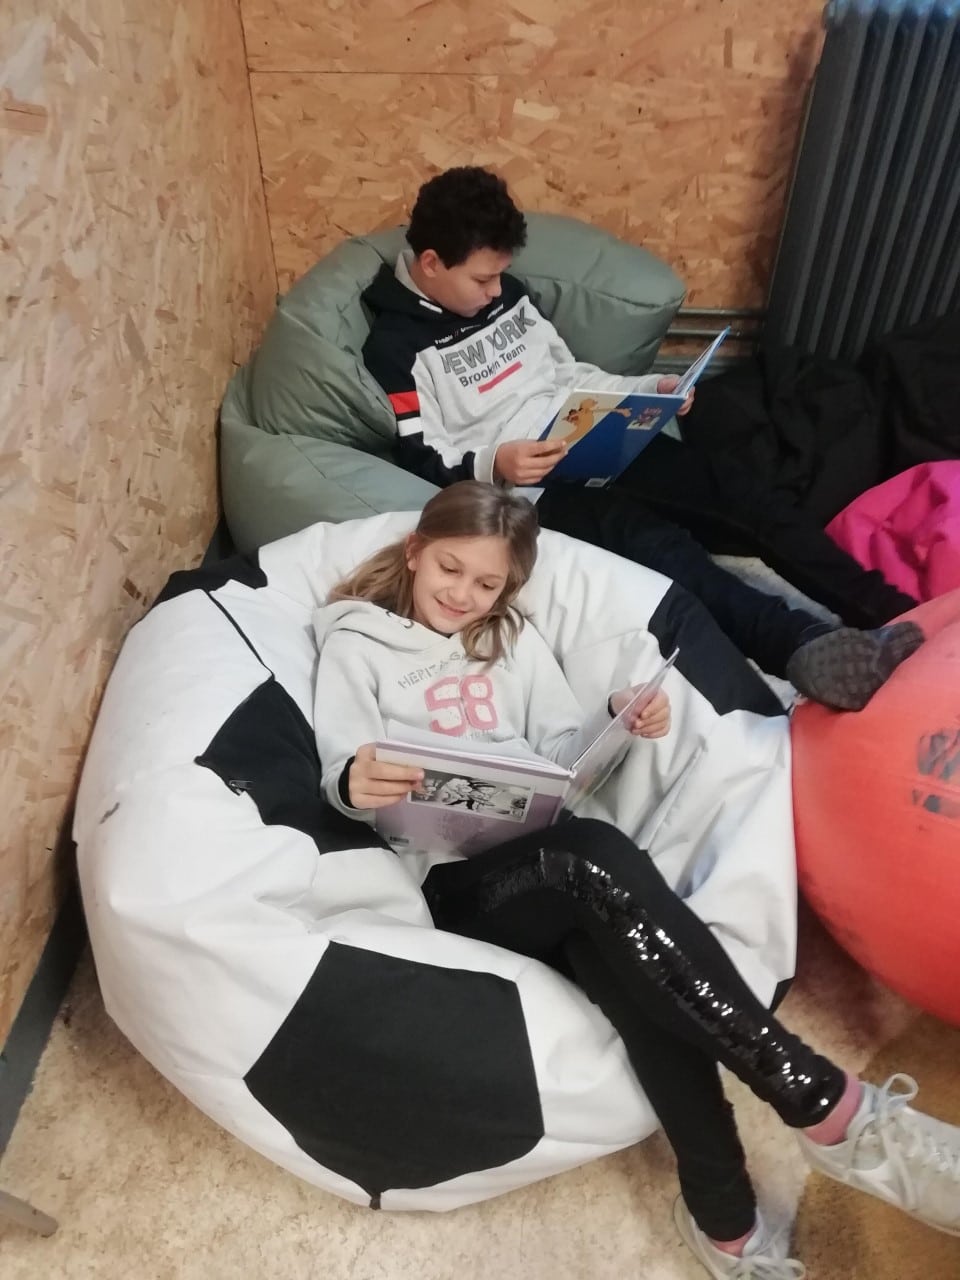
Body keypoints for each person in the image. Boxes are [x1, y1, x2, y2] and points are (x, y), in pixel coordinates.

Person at [312, 482, 959, 1280]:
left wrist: (615, 721)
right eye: (450, 570)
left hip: (548, 860)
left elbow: (559, 759)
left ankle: (724, 1220)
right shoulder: (355, 643)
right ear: (415, 551)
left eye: (487, 584)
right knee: (593, 856)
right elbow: (339, 768)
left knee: (636, 971)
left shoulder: (510, 638)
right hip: (458, 885)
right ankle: (824, 1103)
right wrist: (355, 781)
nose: (463, 596)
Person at [360, 165, 925, 711]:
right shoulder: (396, 346)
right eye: (482, 279)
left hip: (596, 436)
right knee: (665, 551)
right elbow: (417, 457)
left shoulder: (509, 295)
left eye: (499, 276)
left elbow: (569, 375)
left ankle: (895, 610)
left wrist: (648, 390)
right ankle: (805, 644)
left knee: (742, 494)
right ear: (431, 263)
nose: (494, 290)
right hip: (533, 491)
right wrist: (495, 463)